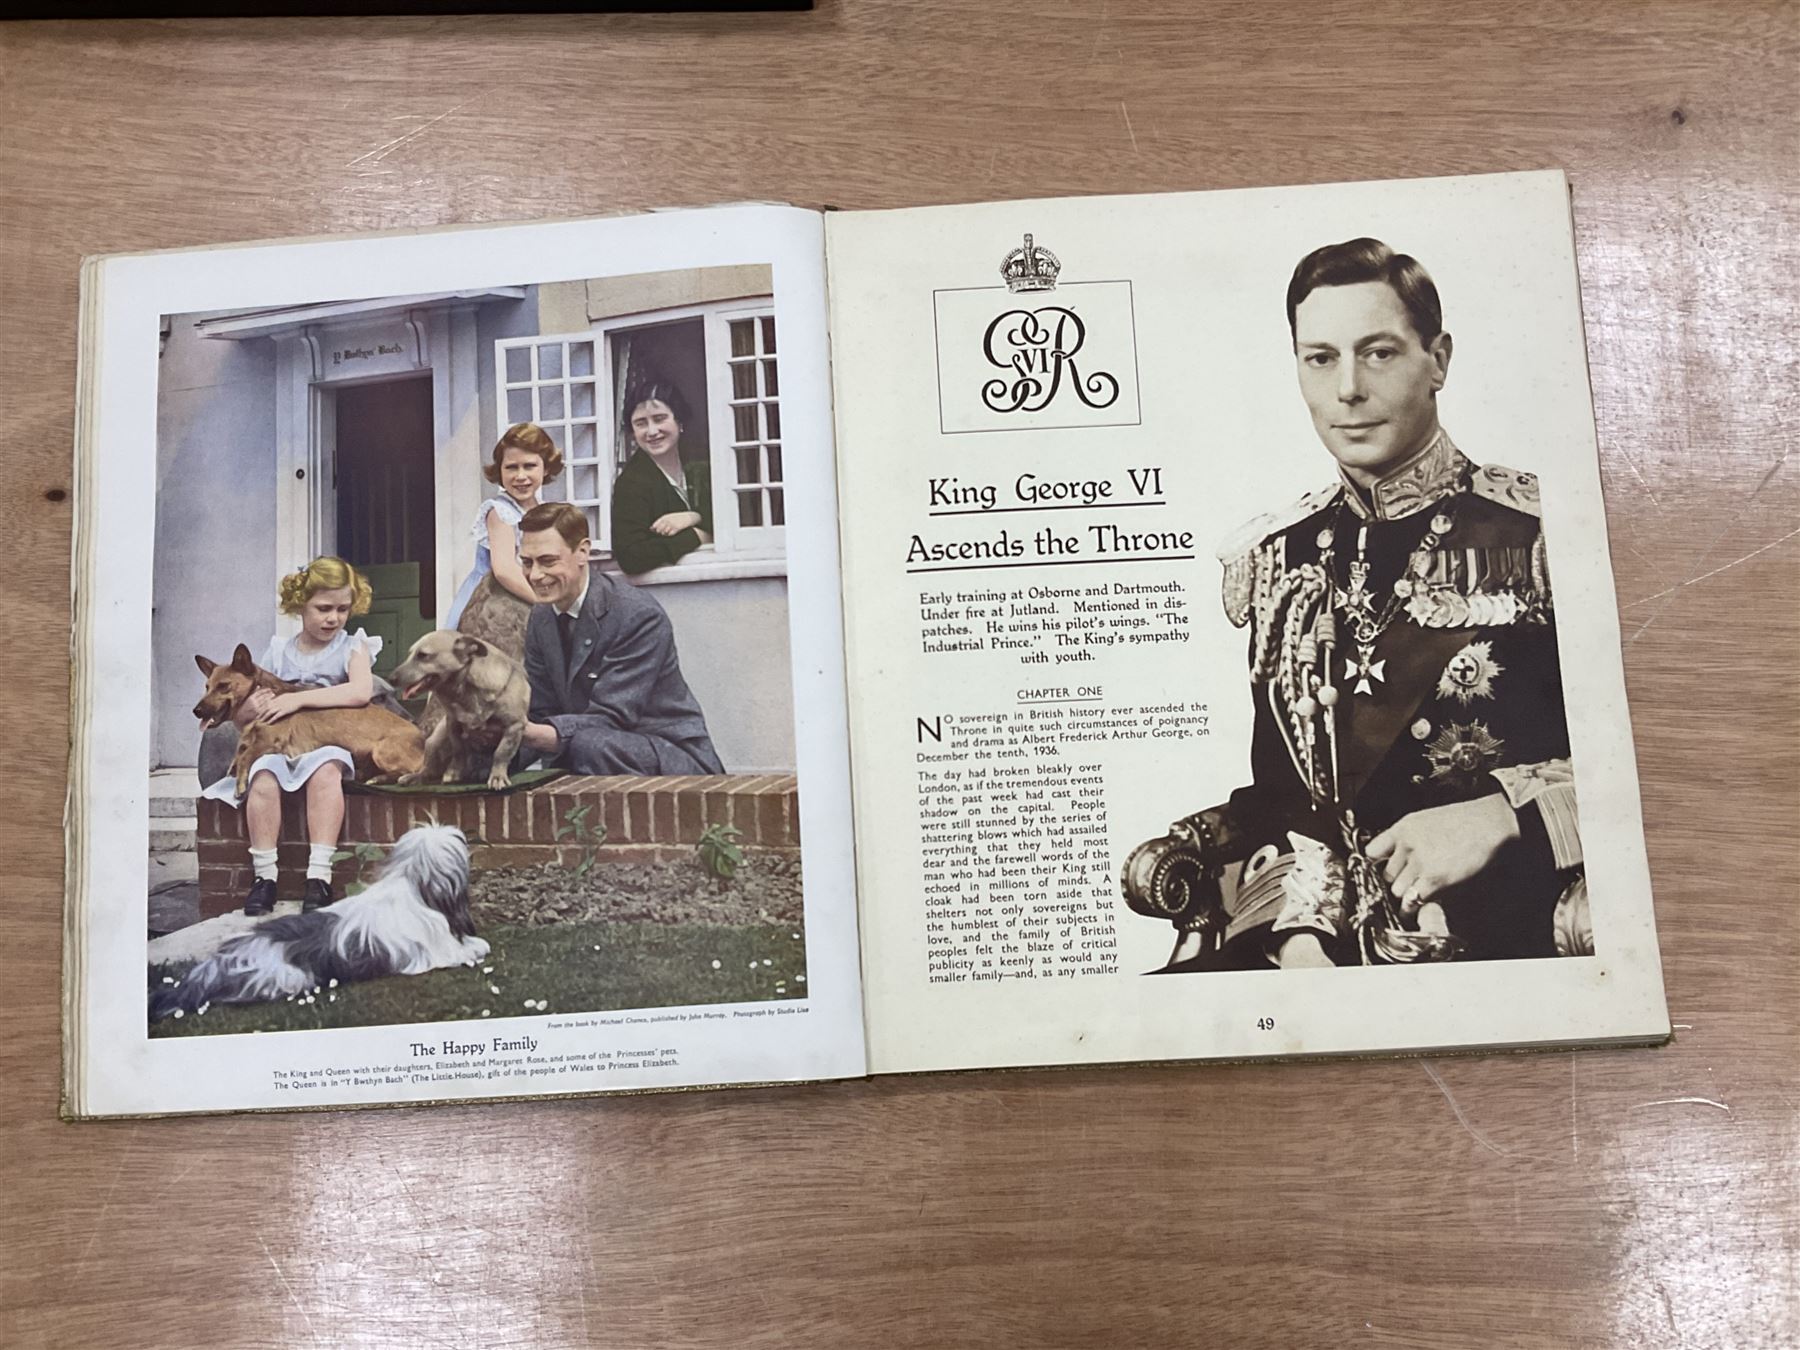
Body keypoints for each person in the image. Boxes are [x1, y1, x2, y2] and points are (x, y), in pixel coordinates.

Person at [1122, 238, 1584, 969]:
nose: (1347, 391)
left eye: (1378, 353)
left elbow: (1659, 765)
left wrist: (1504, 814)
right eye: (1321, 358)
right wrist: (1301, 927)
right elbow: (1287, 798)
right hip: (1325, 936)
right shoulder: (1278, 555)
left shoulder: (1548, 530)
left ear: (1439, 360)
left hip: (1512, 928)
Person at [198, 557, 389, 915]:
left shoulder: (352, 647)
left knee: (326, 772)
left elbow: (359, 692)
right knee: (263, 776)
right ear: (300, 605)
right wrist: (253, 710)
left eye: (343, 609)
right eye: (323, 608)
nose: (333, 618)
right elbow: (253, 718)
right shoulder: (280, 651)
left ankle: (319, 876)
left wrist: (296, 699)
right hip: (282, 746)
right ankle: (264, 877)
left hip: (331, 741)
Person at [516, 502, 724, 775]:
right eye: (526, 562)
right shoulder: (541, 617)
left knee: (587, 745)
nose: (535, 575)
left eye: (547, 561)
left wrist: (528, 733)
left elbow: (611, 718)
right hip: (594, 745)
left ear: (583, 552)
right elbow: (542, 712)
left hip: (671, 756)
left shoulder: (637, 614)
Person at [443, 422, 561, 631]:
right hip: (493, 600)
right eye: (511, 467)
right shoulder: (500, 512)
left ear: (546, 468)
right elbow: (504, 570)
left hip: (522, 596)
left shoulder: (543, 512)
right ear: (500, 471)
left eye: (529, 466)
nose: (520, 476)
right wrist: (544, 603)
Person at [608, 378, 713, 576]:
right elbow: (631, 556)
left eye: (659, 419)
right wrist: (697, 535)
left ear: (679, 421)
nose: (652, 431)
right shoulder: (631, 482)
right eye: (641, 423)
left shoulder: (703, 464)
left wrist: (692, 517)